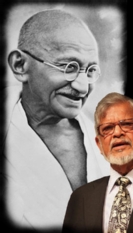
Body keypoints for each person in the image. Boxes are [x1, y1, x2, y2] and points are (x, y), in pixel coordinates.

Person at [2, 9, 109, 230]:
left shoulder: (106, 140)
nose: (82, 86)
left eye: (90, 71)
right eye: (67, 67)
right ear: (20, 66)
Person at [62, 92, 133, 233]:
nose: (117, 133)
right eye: (107, 129)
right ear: (99, 145)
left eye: (127, 124)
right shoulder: (80, 198)